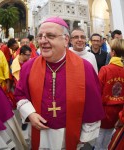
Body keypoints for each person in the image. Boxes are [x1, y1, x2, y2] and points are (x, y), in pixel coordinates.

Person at [14, 16, 105, 149]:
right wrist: (30, 114)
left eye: (50, 36)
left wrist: (84, 137)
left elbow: (93, 104)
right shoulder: (29, 66)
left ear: (65, 40)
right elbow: (20, 94)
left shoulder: (84, 68)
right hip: (39, 133)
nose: (43, 41)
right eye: (40, 36)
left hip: (69, 133)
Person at [95, 39, 124, 150]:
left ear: (112, 52)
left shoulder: (105, 69)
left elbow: (97, 92)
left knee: (99, 139)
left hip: (104, 110)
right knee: (111, 140)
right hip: (120, 112)